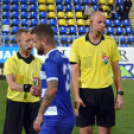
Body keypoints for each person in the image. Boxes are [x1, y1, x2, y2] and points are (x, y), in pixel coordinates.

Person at [69, 11, 124, 134]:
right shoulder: (78, 43)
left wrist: (119, 93)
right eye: (99, 22)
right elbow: (74, 72)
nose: (102, 25)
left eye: (104, 22)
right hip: (85, 94)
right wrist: (77, 96)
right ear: (90, 23)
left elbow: (116, 69)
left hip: (105, 93)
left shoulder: (110, 42)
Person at [31, 24, 75, 134]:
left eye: (35, 42)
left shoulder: (50, 60)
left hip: (54, 118)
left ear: (44, 41)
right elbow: (57, 86)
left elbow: (52, 88)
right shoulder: (63, 57)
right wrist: (41, 90)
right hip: (67, 116)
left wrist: (40, 114)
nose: (34, 45)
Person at [3, 28, 43, 134]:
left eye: (32, 40)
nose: (31, 43)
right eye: (27, 41)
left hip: (34, 106)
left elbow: (42, 86)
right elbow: (12, 84)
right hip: (15, 105)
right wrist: (29, 88)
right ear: (18, 43)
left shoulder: (39, 62)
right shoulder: (10, 62)